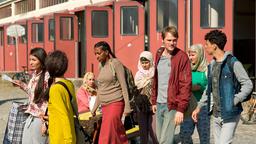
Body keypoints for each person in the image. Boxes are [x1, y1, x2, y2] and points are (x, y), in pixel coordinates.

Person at [192, 30, 253, 144]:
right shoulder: (212, 65)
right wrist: (199, 107)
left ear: (214, 46)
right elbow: (208, 89)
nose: (205, 47)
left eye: (207, 44)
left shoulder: (233, 63)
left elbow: (248, 84)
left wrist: (235, 100)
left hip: (230, 113)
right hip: (216, 115)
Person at [151, 26, 192, 144]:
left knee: (165, 141)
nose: (172, 43)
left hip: (172, 104)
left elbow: (186, 85)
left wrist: (180, 109)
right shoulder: (159, 53)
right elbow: (156, 78)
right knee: (160, 139)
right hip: (159, 103)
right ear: (162, 39)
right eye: (169, 40)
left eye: (174, 40)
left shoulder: (182, 57)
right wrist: (154, 100)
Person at [91, 41, 131, 144]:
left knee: (107, 134)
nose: (97, 56)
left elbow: (123, 85)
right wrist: (95, 107)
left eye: (99, 53)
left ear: (106, 52)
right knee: (115, 132)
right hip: (105, 106)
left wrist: (127, 106)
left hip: (116, 103)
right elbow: (101, 89)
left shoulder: (115, 63)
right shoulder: (101, 65)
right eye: (95, 53)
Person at [13, 47, 49, 144]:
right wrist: (22, 85)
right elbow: (33, 94)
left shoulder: (47, 77)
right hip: (31, 116)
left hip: (40, 119)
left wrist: (45, 122)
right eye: (30, 59)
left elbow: (49, 101)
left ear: (41, 61)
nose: (31, 63)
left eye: (34, 60)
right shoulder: (34, 75)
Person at [179, 44, 210, 144]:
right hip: (188, 107)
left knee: (204, 137)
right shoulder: (186, 69)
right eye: (189, 55)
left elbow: (210, 89)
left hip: (202, 108)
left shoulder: (207, 69)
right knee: (185, 135)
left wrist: (200, 87)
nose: (190, 57)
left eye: (193, 55)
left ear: (200, 55)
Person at [44, 50, 77, 144]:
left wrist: (68, 140)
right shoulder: (69, 84)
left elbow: (64, 115)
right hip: (70, 134)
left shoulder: (55, 89)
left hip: (61, 138)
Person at [134, 51, 158, 144]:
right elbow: (137, 88)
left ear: (151, 61)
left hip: (153, 104)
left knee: (153, 129)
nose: (144, 65)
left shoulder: (155, 73)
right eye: (142, 63)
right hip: (141, 105)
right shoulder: (138, 75)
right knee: (143, 129)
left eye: (146, 62)